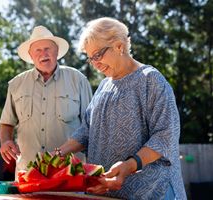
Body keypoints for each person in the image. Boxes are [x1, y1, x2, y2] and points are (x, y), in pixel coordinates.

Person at [57, 17, 187, 199]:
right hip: (109, 193)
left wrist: (129, 166)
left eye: (98, 55)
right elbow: (87, 130)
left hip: (154, 192)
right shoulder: (103, 86)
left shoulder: (151, 80)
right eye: (90, 58)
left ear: (119, 46)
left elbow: (165, 136)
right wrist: (58, 153)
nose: (94, 63)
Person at [0, 25, 92, 178]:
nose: (44, 54)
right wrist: (6, 140)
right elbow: (6, 122)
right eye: (38, 50)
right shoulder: (16, 84)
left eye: (48, 48)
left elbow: (90, 127)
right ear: (30, 55)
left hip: (69, 174)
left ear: (57, 51)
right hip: (27, 172)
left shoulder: (78, 80)